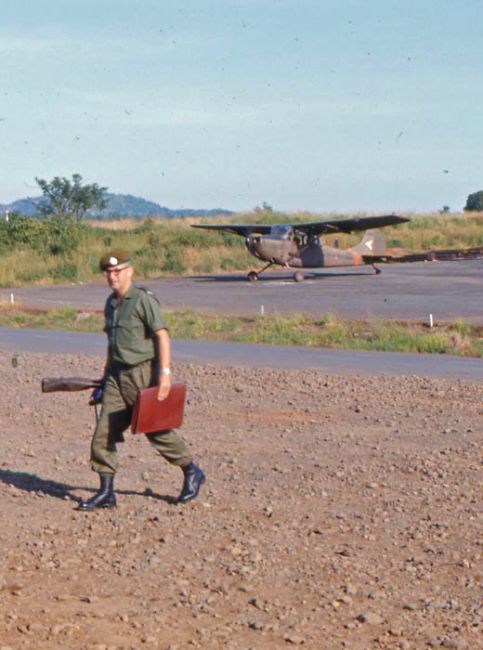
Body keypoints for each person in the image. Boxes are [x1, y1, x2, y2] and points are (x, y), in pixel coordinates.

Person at [77, 249, 205, 510]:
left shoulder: (143, 300)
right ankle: (107, 492)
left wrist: (165, 376)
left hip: (143, 374)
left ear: (129, 271)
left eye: (117, 271)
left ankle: (191, 471)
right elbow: (112, 344)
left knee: (156, 431)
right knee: (104, 432)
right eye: (108, 273)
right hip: (116, 376)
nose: (112, 277)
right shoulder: (111, 304)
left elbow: (162, 335)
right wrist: (104, 379)